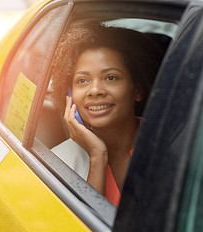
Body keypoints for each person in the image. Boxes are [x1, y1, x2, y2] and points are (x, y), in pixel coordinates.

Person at [51, 21, 165, 206]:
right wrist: (98, 155)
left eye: (110, 77)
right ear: (70, 95)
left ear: (137, 90)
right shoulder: (58, 161)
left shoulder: (167, 143)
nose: (95, 90)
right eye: (82, 80)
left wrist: (113, 153)